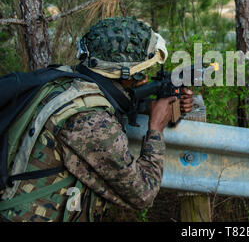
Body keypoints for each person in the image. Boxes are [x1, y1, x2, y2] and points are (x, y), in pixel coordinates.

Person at [0, 16, 193, 222]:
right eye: (141, 71)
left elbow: (116, 101)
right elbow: (143, 194)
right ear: (126, 74)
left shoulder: (67, 80)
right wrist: (156, 128)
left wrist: (150, 107)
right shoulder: (92, 122)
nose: (145, 77)